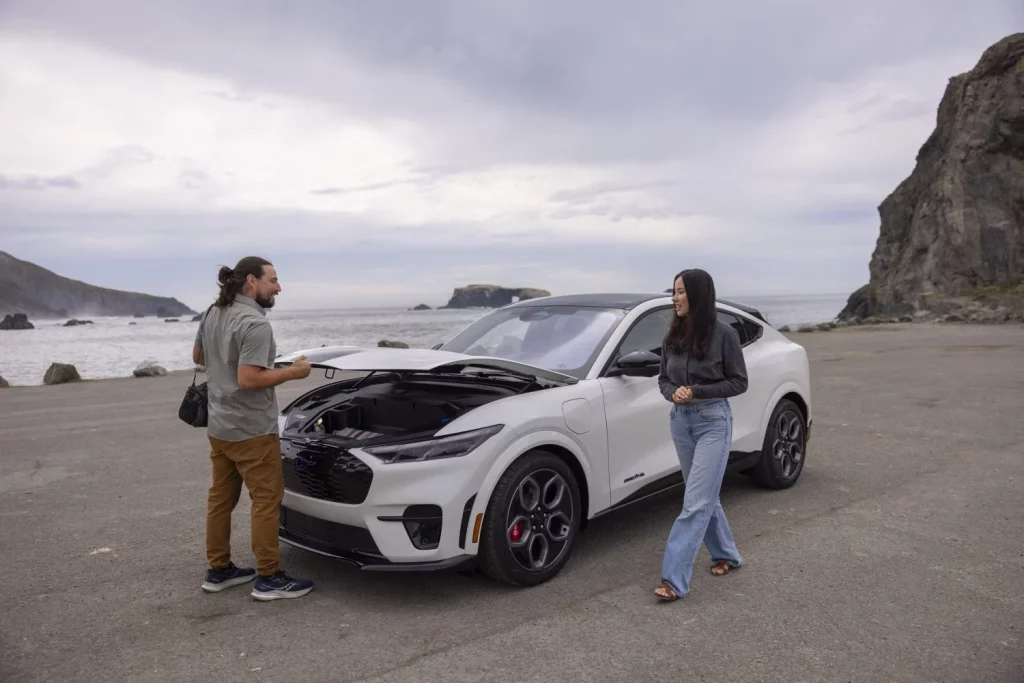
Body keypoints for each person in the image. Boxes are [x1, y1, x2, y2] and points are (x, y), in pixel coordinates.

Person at [192, 256, 315, 601]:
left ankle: (218, 570)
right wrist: (293, 372)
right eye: (273, 280)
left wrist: (228, 363)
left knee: (220, 500)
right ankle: (269, 577)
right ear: (251, 281)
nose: (279, 287)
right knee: (266, 501)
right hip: (252, 429)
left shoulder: (213, 312)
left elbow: (199, 357)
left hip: (220, 426)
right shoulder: (255, 324)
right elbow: (249, 380)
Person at [653, 268, 748, 602]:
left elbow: (739, 381)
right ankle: (727, 555)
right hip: (680, 422)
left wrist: (697, 391)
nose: (675, 298)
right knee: (705, 496)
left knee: (695, 502)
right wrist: (674, 393)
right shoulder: (672, 335)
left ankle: (674, 580)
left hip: (713, 422)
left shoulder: (724, 334)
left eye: (681, 292)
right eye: (674, 292)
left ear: (698, 294)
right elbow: (663, 379)